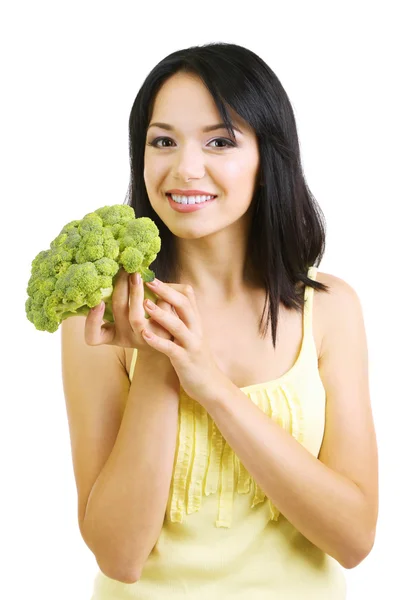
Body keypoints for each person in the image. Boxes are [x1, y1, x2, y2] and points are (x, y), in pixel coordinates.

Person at [61, 42, 378, 599]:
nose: (185, 168)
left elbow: (353, 538)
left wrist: (212, 388)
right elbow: (119, 555)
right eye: (163, 141)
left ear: (267, 159)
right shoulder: (104, 318)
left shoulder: (329, 309)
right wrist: (159, 360)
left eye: (220, 141)